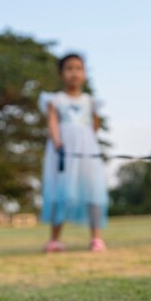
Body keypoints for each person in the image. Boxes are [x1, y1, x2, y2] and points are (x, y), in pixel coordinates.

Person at [39, 53, 108, 253]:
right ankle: (54, 239)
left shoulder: (91, 101)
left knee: (93, 190)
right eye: (69, 68)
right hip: (63, 152)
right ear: (61, 74)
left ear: (84, 74)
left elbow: (95, 126)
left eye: (78, 69)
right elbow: (52, 122)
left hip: (87, 151)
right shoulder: (54, 100)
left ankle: (96, 238)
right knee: (60, 192)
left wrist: (89, 143)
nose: (74, 73)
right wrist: (57, 141)